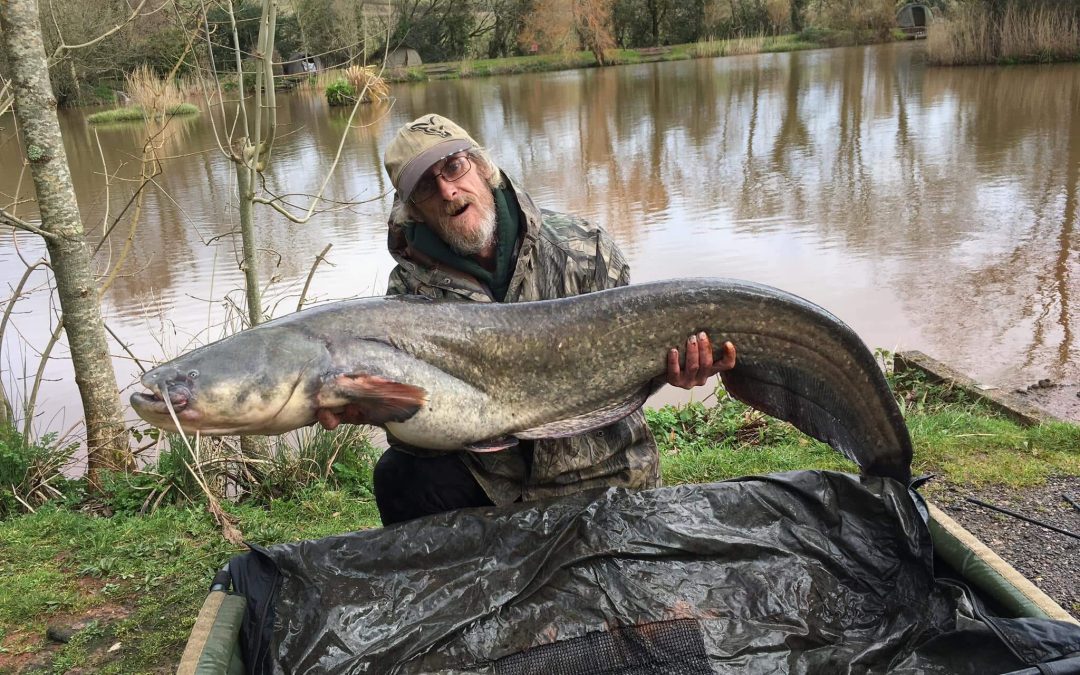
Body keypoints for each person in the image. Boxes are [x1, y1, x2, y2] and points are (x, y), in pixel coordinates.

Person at [319, 113, 736, 526]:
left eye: (454, 167)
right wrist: (380, 408)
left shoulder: (584, 247)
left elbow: (637, 359)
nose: (447, 190)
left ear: (482, 168)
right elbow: (425, 426)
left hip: (603, 468)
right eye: (426, 186)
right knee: (399, 476)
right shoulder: (408, 295)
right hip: (497, 486)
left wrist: (674, 369)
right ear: (414, 210)